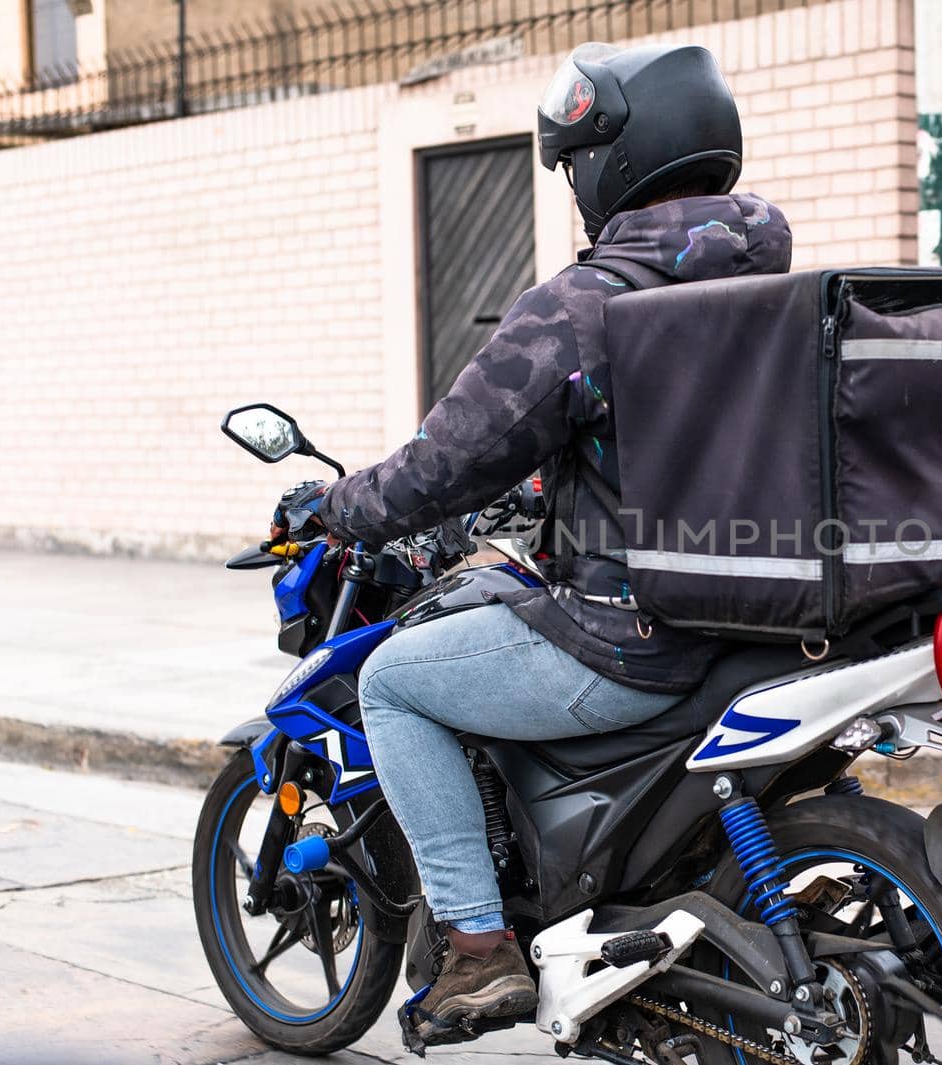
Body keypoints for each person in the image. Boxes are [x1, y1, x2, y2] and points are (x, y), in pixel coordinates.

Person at [271, 42, 791, 1037]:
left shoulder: (587, 305)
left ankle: (477, 948)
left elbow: (450, 459)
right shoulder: (767, 273)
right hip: (755, 613)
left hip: (634, 633)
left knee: (395, 681)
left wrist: (340, 512)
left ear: (614, 164)